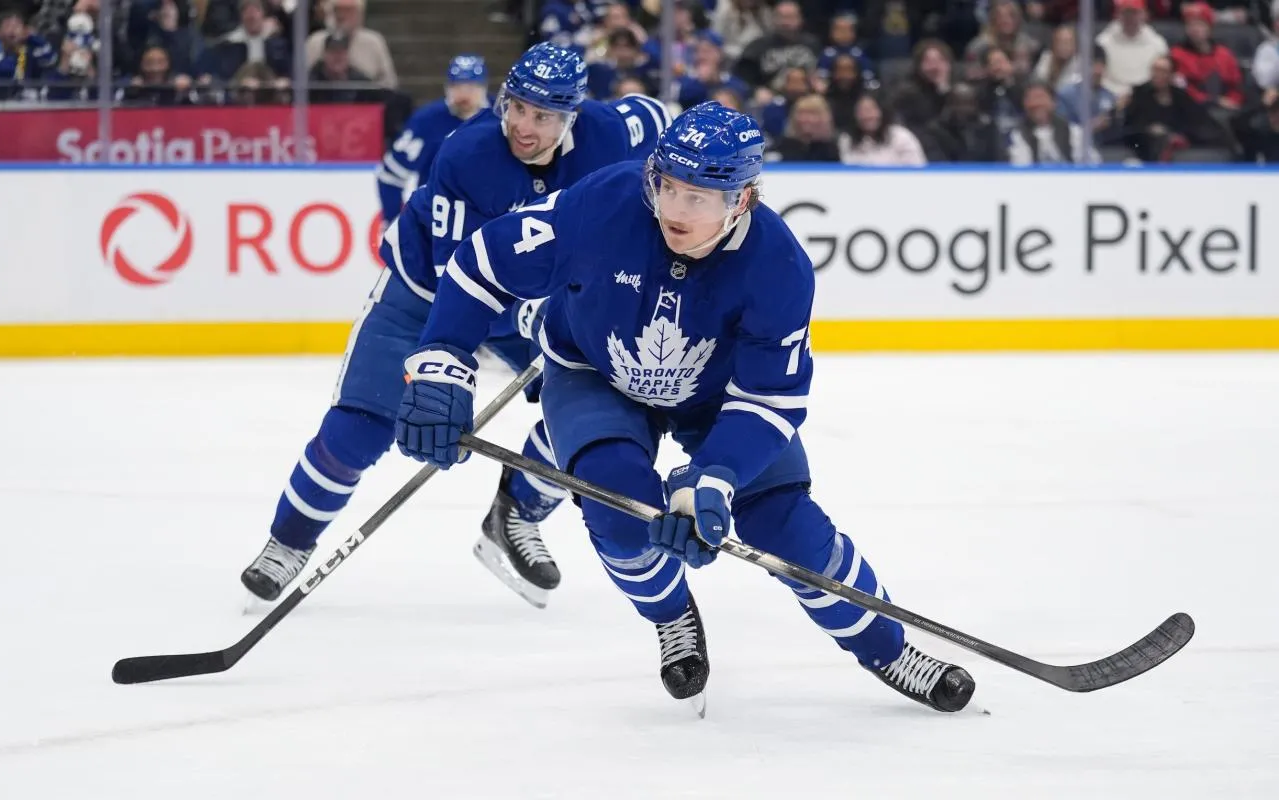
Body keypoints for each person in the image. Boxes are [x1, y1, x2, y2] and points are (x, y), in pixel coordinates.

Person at [393, 102, 977, 714]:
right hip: (596, 372)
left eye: (698, 198)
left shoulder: (778, 267)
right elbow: (481, 263)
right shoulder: (606, 202)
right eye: (667, 185)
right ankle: (672, 617)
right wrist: (442, 361)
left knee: (789, 528)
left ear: (742, 199)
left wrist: (715, 477)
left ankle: (888, 649)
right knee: (618, 509)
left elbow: (768, 400)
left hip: (716, 398)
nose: (674, 209)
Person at [239, 43, 672, 611]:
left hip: (533, 299)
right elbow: (460, 279)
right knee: (362, 425)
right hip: (426, 295)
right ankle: (288, 542)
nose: (523, 125)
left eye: (542, 116)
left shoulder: (608, 134)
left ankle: (514, 513)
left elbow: (660, 117)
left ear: (571, 116)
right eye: (516, 107)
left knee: (601, 412)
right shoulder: (468, 154)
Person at [376, 53, 489, 224]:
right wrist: (393, 221)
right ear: (447, 89)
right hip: (437, 224)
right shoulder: (426, 121)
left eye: (471, 87)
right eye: (457, 87)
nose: (464, 94)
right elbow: (390, 175)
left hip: (488, 222)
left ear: (484, 89)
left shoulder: (502, 119)